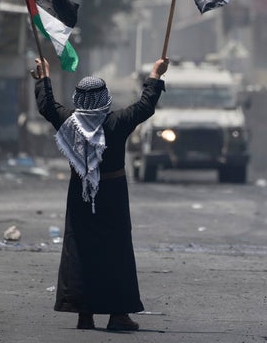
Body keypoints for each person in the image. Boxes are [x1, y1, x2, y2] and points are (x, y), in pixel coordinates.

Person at [33, 56, 169, 331]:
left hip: (79, 195)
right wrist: (155, 74)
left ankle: (85, 313)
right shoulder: (117, 122)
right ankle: (118, 315)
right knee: (116, 252)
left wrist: (43, 77)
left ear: (78, 99)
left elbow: (47, 105)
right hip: (113, 195)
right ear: (104, 98)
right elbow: (145, 106)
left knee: (80, 249)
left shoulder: (68, 122)